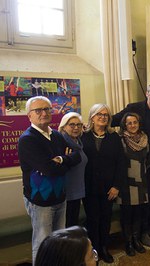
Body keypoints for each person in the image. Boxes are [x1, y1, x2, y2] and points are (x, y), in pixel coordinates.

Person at [18, 96, 81, 264]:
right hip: (40, 201)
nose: (43, 113)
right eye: (38, 110)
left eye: (47, 109)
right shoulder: (28, 139)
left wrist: (60, 159)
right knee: (42, 244)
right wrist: (65, 160)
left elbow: (77, 156)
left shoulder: (57, 136)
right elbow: (48, 169)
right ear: (29, 116)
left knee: (59, 243)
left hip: (60, 197)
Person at [112, 83, 150, 246]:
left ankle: (148, 228)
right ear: (147, 93)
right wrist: (94, 122)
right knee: (133, 203)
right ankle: (135, 236)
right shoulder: (134, 108)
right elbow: (115, 120)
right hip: (134, 166)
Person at [81, 103, 125, 263]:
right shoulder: (82, 136)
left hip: (109, 188)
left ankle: (104, 248)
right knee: (92, 220)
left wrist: (116, 186)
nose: (103, 117)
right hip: (88, 188)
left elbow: (121, 163)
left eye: (106, 115)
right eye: (99, 114)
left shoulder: (114, 137)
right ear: (92, 117)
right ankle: (93, 251)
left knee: (105, 219)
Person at [117, 113, 150, 256]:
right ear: (124, 125)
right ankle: (128, 242)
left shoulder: (144, 139)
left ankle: (136, 240)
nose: (132, 125)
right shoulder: (120, 140)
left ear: (139, 123)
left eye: (135, 122)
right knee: (127, 214)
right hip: (125, 182)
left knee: (138, 212)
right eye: (129, 123)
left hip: (141, 180)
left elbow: (149, 159)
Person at [58, 112, 88, 227]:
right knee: (67, 227)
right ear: (63, 127)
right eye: (72, 125)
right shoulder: (62, 143)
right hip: (66, 193)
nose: (76, 128)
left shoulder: (79, 142)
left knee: (73, 224)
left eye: (78, 125)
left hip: (77, 191)